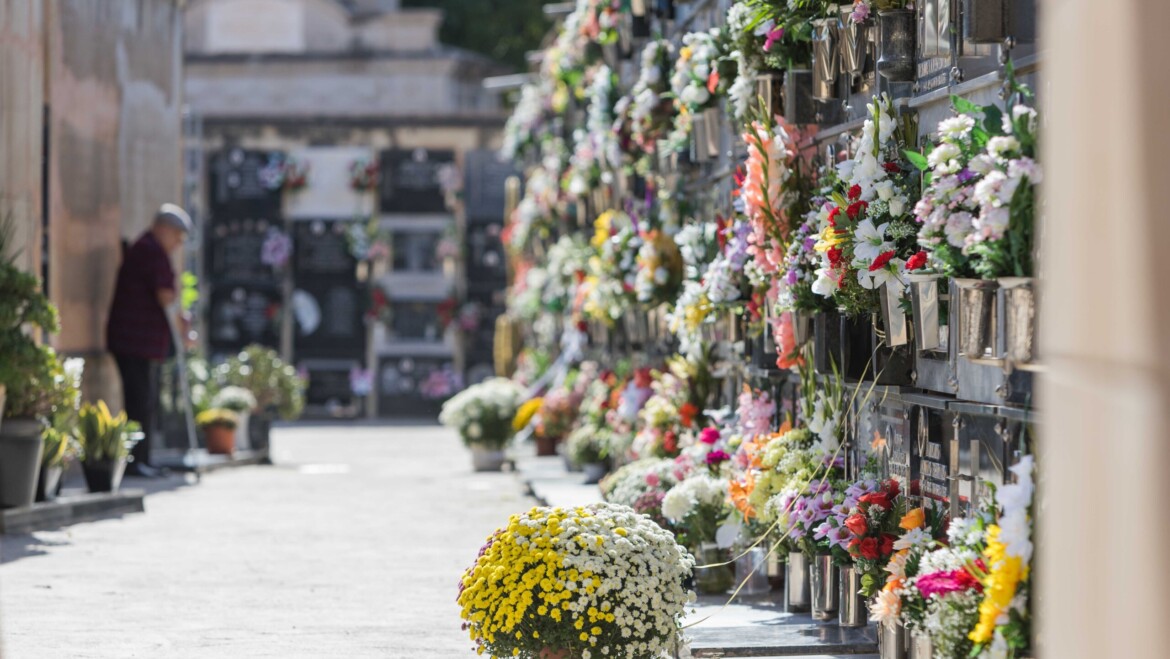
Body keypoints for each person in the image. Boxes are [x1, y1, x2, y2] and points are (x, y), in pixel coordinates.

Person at [106, 204, 191, 478]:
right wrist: (182, 326)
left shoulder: (151, 248)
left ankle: (143, 459)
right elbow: (165, 295)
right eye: (177, 236)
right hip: (133, 342)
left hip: (138, 342)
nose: (178, 243)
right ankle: (135, 462)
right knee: (139, 402)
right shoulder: (151, 250)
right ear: (164, 229)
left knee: (144, 401)